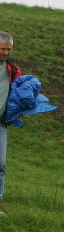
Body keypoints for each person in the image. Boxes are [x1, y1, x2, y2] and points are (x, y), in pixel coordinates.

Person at [0, 31, 22, 217]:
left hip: (1, 123)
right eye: (2, 49)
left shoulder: (12, 69)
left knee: (1, 164)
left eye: (9, 49)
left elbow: (19, 93)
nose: (6, 52)